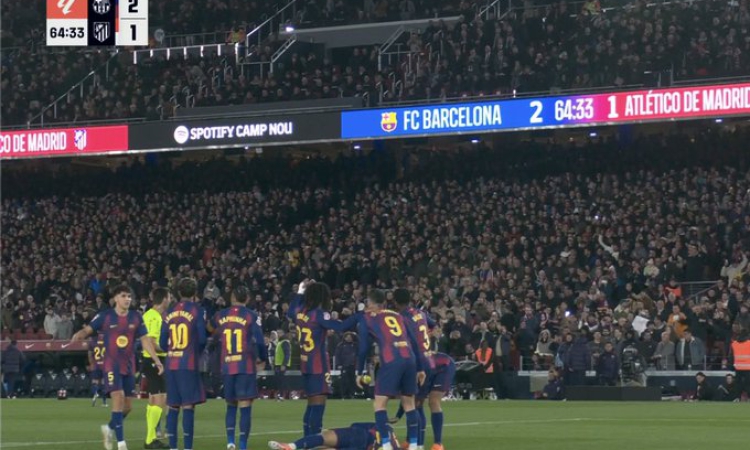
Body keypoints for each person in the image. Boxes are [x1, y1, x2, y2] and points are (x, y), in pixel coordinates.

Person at [72, 284, 163, 450]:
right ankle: (121, 444)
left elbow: (145, 341)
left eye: (129, 296)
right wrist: (79, 334)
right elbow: (88, 330)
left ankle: (109, 428)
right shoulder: (105, 316)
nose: (127, 299)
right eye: (123, 296)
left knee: (127, 407)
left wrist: (157, 360)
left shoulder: (136, 317)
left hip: (129, 366)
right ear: (115, 298)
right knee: (118, 398)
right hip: (111, 365)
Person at [356, 289, 426, 450]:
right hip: (409, 359)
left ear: (371, 303)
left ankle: (386, 445)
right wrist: (420, 368)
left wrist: (358, 372)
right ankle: (414, 445)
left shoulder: (367, 318)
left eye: (368, 302)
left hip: (391, 359)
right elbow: (414, 342)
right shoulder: (398, 316)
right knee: (409, 404)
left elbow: (363, 348)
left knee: (380, 404)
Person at [288, 280, 354, 436]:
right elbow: (340, 327)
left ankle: (307, 438)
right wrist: (357, 316)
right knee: (318, 404)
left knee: (311, 403)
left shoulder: (300, 312)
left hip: (305, 363)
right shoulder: (319, 314)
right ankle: (313, 440)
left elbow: (290, 311)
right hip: (318, 364)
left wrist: (301, 291)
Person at [393, 287, 453, 450]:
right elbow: (435, 326)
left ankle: (417, 444)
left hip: (418, 361)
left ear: (395, 302)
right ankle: (430, 443)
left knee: (416, 403)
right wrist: (429, 337)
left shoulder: (401, 318)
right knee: (423, 402)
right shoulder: (420, 313)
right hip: (428, 358)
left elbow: (409, 341)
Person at [212, 285, 268, 450]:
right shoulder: (252, 316)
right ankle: (243, 445)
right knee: (245, 404)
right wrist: (263, 358)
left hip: (227, 365)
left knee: (230, 404)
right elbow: (259, 341)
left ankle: (230, 441)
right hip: (245, 365)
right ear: (248, 299)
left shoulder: (220, 315)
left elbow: (212, 332)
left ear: (232, 298)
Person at [160, 278, 207, 450]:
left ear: (178, 292)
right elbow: (202, 339)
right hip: (188, 363)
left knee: (173, 405)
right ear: (195, 293)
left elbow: (162, 341)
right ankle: (187, 447)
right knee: (188, 405)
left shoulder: (169, 311)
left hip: (171, 363)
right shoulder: (197, 310)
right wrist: (195, 352)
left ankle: (173, 447)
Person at [142, 287, 172, 449]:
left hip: (149, 360)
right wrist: (169, 348)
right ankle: (150, 439)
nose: (171, 300)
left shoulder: (148, 315)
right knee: (160, 398)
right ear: (164, 299)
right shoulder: (155, 317)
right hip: (154, 359)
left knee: (154, 398)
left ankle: (151, 437)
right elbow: (152, 342)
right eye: (169, 297)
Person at [268, 422, 399, 450]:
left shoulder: (388, 428)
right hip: (363, 446)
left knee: (324, 438)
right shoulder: (394, 446)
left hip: (359, 434)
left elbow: (356, 424)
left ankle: (291, 446)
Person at [334, 332, 358, 399]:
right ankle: (344, 395)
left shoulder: (354, 345)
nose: (349, 338)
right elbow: (337, 355)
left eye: (350, 337)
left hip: (352, 365)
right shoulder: (341, 345)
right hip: (344, 365)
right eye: (348, 337)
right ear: (344, 338)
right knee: (344, 380)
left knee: (352, 380)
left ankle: (352, 394)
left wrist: (356, 335)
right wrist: (338, 364)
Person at [728, 330, 750, 398]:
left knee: (738, 384)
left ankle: (737, 397)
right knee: (748, 384)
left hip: (738, 367)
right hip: (748, 368)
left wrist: (731, 366)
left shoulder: (734, 344)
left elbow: (731, 357)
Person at [88, 335, 108, 407]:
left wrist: (91, 364)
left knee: (94, 382)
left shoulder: (92, 341)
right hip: (105, 365)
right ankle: (104, 402)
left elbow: (89, 355)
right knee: (103, 382)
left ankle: (95, 393)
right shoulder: (107, 340)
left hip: (96, 365)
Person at [273, 330, 291, 401]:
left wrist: (284, 364)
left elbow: (287, 354)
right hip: (278, 364)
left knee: (281, 381)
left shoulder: (285, 342)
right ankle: (281, 395)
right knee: (279, 381)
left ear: (283, 333)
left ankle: (282, 395)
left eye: (279, 333)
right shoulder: (280, 342)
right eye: (277, 333)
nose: (278, 334)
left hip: (281, 364)